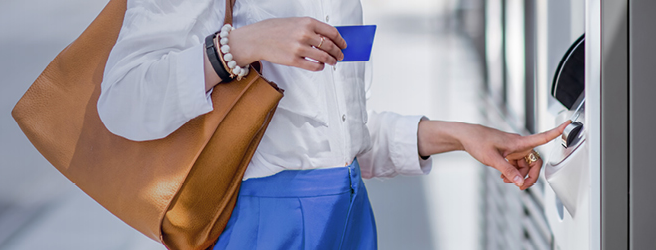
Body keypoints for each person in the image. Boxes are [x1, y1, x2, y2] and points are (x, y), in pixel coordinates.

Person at [96, 0, 566, 248]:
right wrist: (239, 46)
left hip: (349, 219)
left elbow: (338, 141)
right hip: (262, 225)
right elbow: (121, 100)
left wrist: (459, 135)